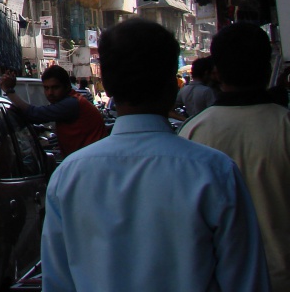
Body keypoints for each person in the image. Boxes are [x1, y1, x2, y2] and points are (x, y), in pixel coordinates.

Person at [42, 18, 270, 292]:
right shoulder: (215, 171)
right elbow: (246, 282)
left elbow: (57, 282)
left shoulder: (68, 177)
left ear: (108, 87)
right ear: (173, 85)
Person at [179, 23, 290, 290]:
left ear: (216, 71)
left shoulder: (193, 133)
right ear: (268, 68)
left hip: (222, 280)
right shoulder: (285, 126)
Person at [0, 65, 105, 158]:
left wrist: (9, 91)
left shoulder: (71, 103)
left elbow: (35, 114)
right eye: (46, 88)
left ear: (67, 86)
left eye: (55, 87)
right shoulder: (71, 101)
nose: (50, 92)